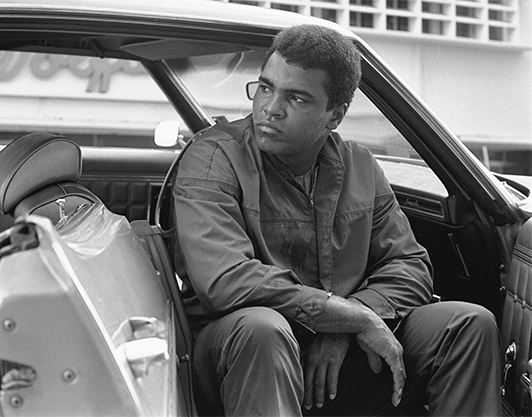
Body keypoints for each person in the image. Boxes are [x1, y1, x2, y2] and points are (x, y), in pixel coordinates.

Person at [172, 24, 501, 416]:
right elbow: (225, 281)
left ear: (335, 115)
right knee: (262, 329)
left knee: (468, 324)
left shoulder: (359, 165)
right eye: (264, 87)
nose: (270, 108)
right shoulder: (214, 157)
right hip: (240, 356)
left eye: (295, 97)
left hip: (339, 356)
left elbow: (409, 265)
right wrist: (345, 317)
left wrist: (349, 324)